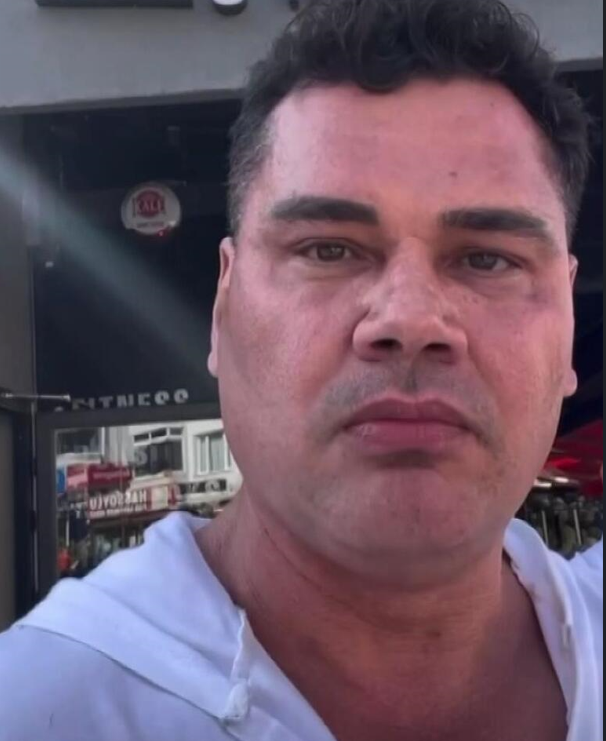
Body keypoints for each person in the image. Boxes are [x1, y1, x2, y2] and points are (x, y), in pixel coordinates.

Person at [0, 1, 602, 739]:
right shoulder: (37, 708)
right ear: (223, 307)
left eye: (487, 258)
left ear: (567, 320)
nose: (409, 320)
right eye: (328, 249)